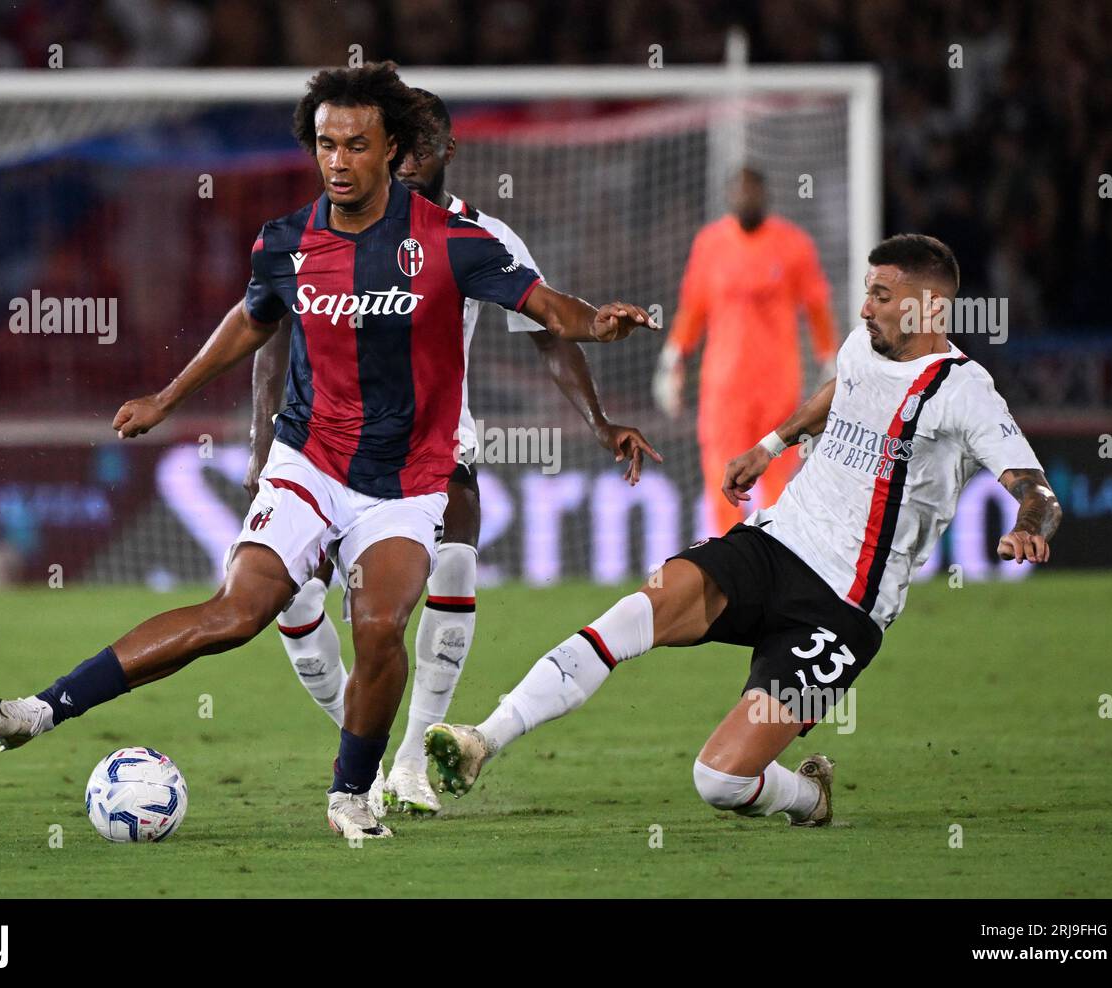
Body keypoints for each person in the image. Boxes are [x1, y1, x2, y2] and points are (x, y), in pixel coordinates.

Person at [0, 61, 658, 841]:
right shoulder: (287, 241)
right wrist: (169, 398)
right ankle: (43, 709)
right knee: (236, 615)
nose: (338, 160)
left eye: (355, 144)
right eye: (326, 144)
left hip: (405, 479)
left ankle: (349, 793)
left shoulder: (455, 242)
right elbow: (253, 322)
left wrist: (595, 324)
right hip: (311, 461)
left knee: (378, 627)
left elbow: (542, 308)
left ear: (391, 148)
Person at [426, 234, 1062, 828]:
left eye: (882, 295)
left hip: (842, 607)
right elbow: (844, 388)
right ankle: (485, 738)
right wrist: (771, 445)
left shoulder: (964, 391)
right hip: (775, 545)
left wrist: (1028, 526)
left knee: (719, 780)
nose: (864, 305)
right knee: (636, 612)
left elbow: (1034, 487)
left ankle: (810, 796)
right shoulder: (864, 344)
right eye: (867, 290)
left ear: (929, 308)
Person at [245, 89, 661, 817]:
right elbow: (269, 331)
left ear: (444, 152)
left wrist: (598, 422)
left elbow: (548, 330)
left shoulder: (477, 233)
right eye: (398, 145)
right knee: (296, 601)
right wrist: (259, 449)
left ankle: (406, 762)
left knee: (458, 561)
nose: (405, 159)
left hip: (431, 444)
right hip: (318, 444)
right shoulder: (327, 231)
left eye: (420, 147)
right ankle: (360, 748)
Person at [653, 167, 840, 536]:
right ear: (728, 197)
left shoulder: (793, 244)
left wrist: (828, 359)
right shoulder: (710, 244)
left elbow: (817, 305)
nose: (745, 199)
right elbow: (693, 309)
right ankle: (731, 568)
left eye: (752, 192)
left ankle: (778, 560)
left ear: (765, 197)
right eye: (739, 192)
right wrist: (672, 358)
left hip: (778, 387)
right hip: (723, 389)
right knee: (722, 480)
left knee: (777, 482)